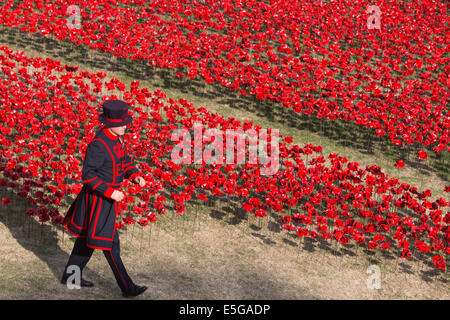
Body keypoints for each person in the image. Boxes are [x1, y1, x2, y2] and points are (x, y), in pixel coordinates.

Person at [61, 99, 147, 298]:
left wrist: (135, 175)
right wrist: (111, 192)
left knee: (85, 240)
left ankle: (70, 277)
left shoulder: (118, 138)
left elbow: (124, 160)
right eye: (122, 123)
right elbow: (88, 175)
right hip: (98, 201)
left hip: (105, 201)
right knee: (110, 243)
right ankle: (128, 288)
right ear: (110, 123)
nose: (126, 126)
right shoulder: (98, 144)